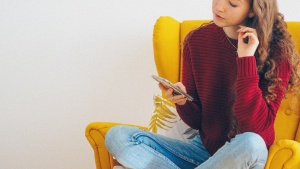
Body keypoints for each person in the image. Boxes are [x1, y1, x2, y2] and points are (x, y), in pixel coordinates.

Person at [105, 0, 299, 168]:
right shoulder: (196, 41)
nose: (219, 7)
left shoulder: (277, 50)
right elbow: (198, 122)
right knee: (117, 136)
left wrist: (246, 59)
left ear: (252, 9)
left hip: (245, 155)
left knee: (252, 142)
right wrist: (183, 102)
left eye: (232, 3)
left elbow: (257, 131)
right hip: (203, 149)